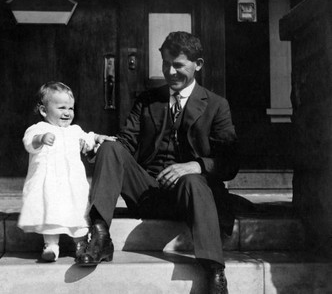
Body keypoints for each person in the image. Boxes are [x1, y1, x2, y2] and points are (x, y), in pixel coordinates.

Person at [76, 32, 238, 294]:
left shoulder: (217, 105)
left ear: (198, 64)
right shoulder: (147, 101)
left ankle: (213, 270)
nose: (170, 72)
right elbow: (126, 142)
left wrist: (195, 166)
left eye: (178, 65)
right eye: (165, 64)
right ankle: (101, 236)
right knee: (110, 147)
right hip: (147, 191)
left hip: (190, 198)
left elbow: (229, 162)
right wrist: (102, 149)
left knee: (194, 180)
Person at [18, 81, 116, 262]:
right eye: (61, 107)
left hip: (72, 184)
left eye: (71, 108)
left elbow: (88, 138)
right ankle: (51, 246)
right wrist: (40, 139)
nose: (67, 112)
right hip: (48, 185)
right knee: (50, 214)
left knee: (78, 212)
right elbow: (29, 142)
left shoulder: (74, 130)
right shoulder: (38, 128)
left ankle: (80, 243)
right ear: (43, 110)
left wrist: (98, 138)